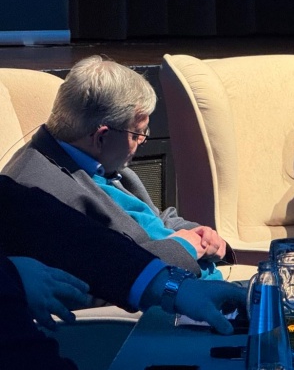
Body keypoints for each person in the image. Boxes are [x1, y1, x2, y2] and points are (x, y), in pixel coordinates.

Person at [1, 55, 228, 280]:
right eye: (138, 133)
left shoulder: (93, 161)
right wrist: (183, 247)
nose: (143, 140)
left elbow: (154, 217)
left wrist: (203, 235)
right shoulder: (38, 192)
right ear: (102, 137)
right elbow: (102, 272)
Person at [0, 175, 246, 368]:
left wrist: (172, 286)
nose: (142, 140)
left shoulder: (114, 171)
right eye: (137, 132)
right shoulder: (41, 173)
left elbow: (32, 217)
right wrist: (10, 273)